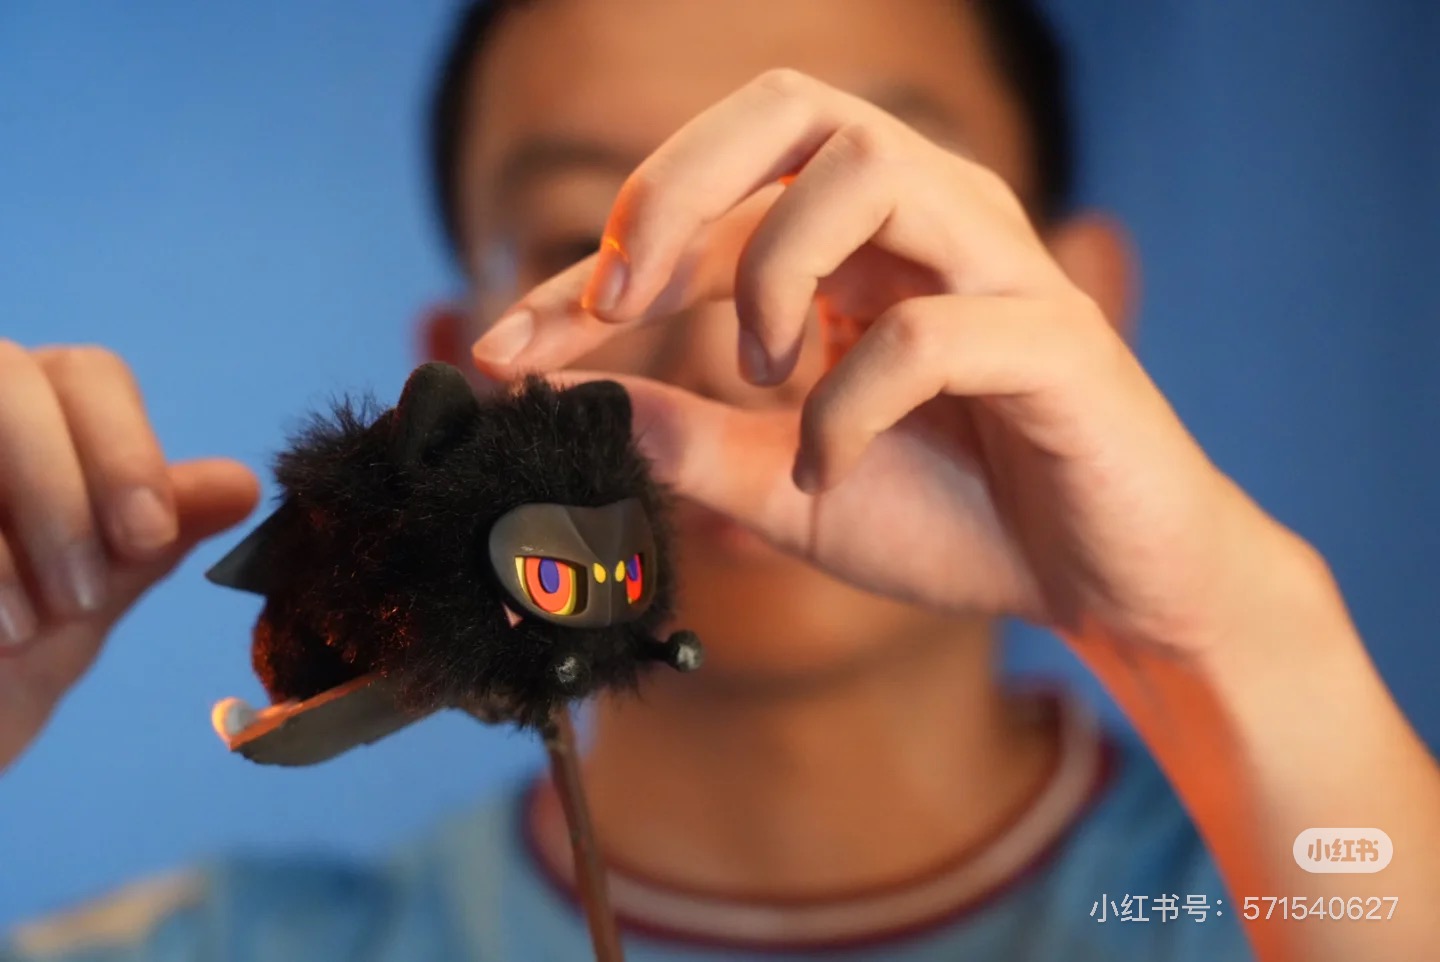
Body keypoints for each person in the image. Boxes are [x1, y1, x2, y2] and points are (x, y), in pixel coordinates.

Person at [2, 1, 1437, 959]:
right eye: (592, 245)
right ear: (467, 370)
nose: (737, 352)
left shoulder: (1309, 885)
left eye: (858, 230)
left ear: (1087, 308)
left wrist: (1231, 638)